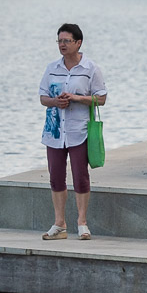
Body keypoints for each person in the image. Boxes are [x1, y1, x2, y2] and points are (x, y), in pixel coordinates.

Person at [38, 23, 108, 241]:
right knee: (55, 177)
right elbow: (43, 98)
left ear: (78, 43)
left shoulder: (91, 69)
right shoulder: (51, 68)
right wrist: (55, 101)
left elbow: (102, 99)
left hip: (79, 130)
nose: (62, 45)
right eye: (59, 41)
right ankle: (59, 224)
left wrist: (77, 98)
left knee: (80, 176)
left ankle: (82, 222)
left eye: (66, 41)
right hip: (55, 131)